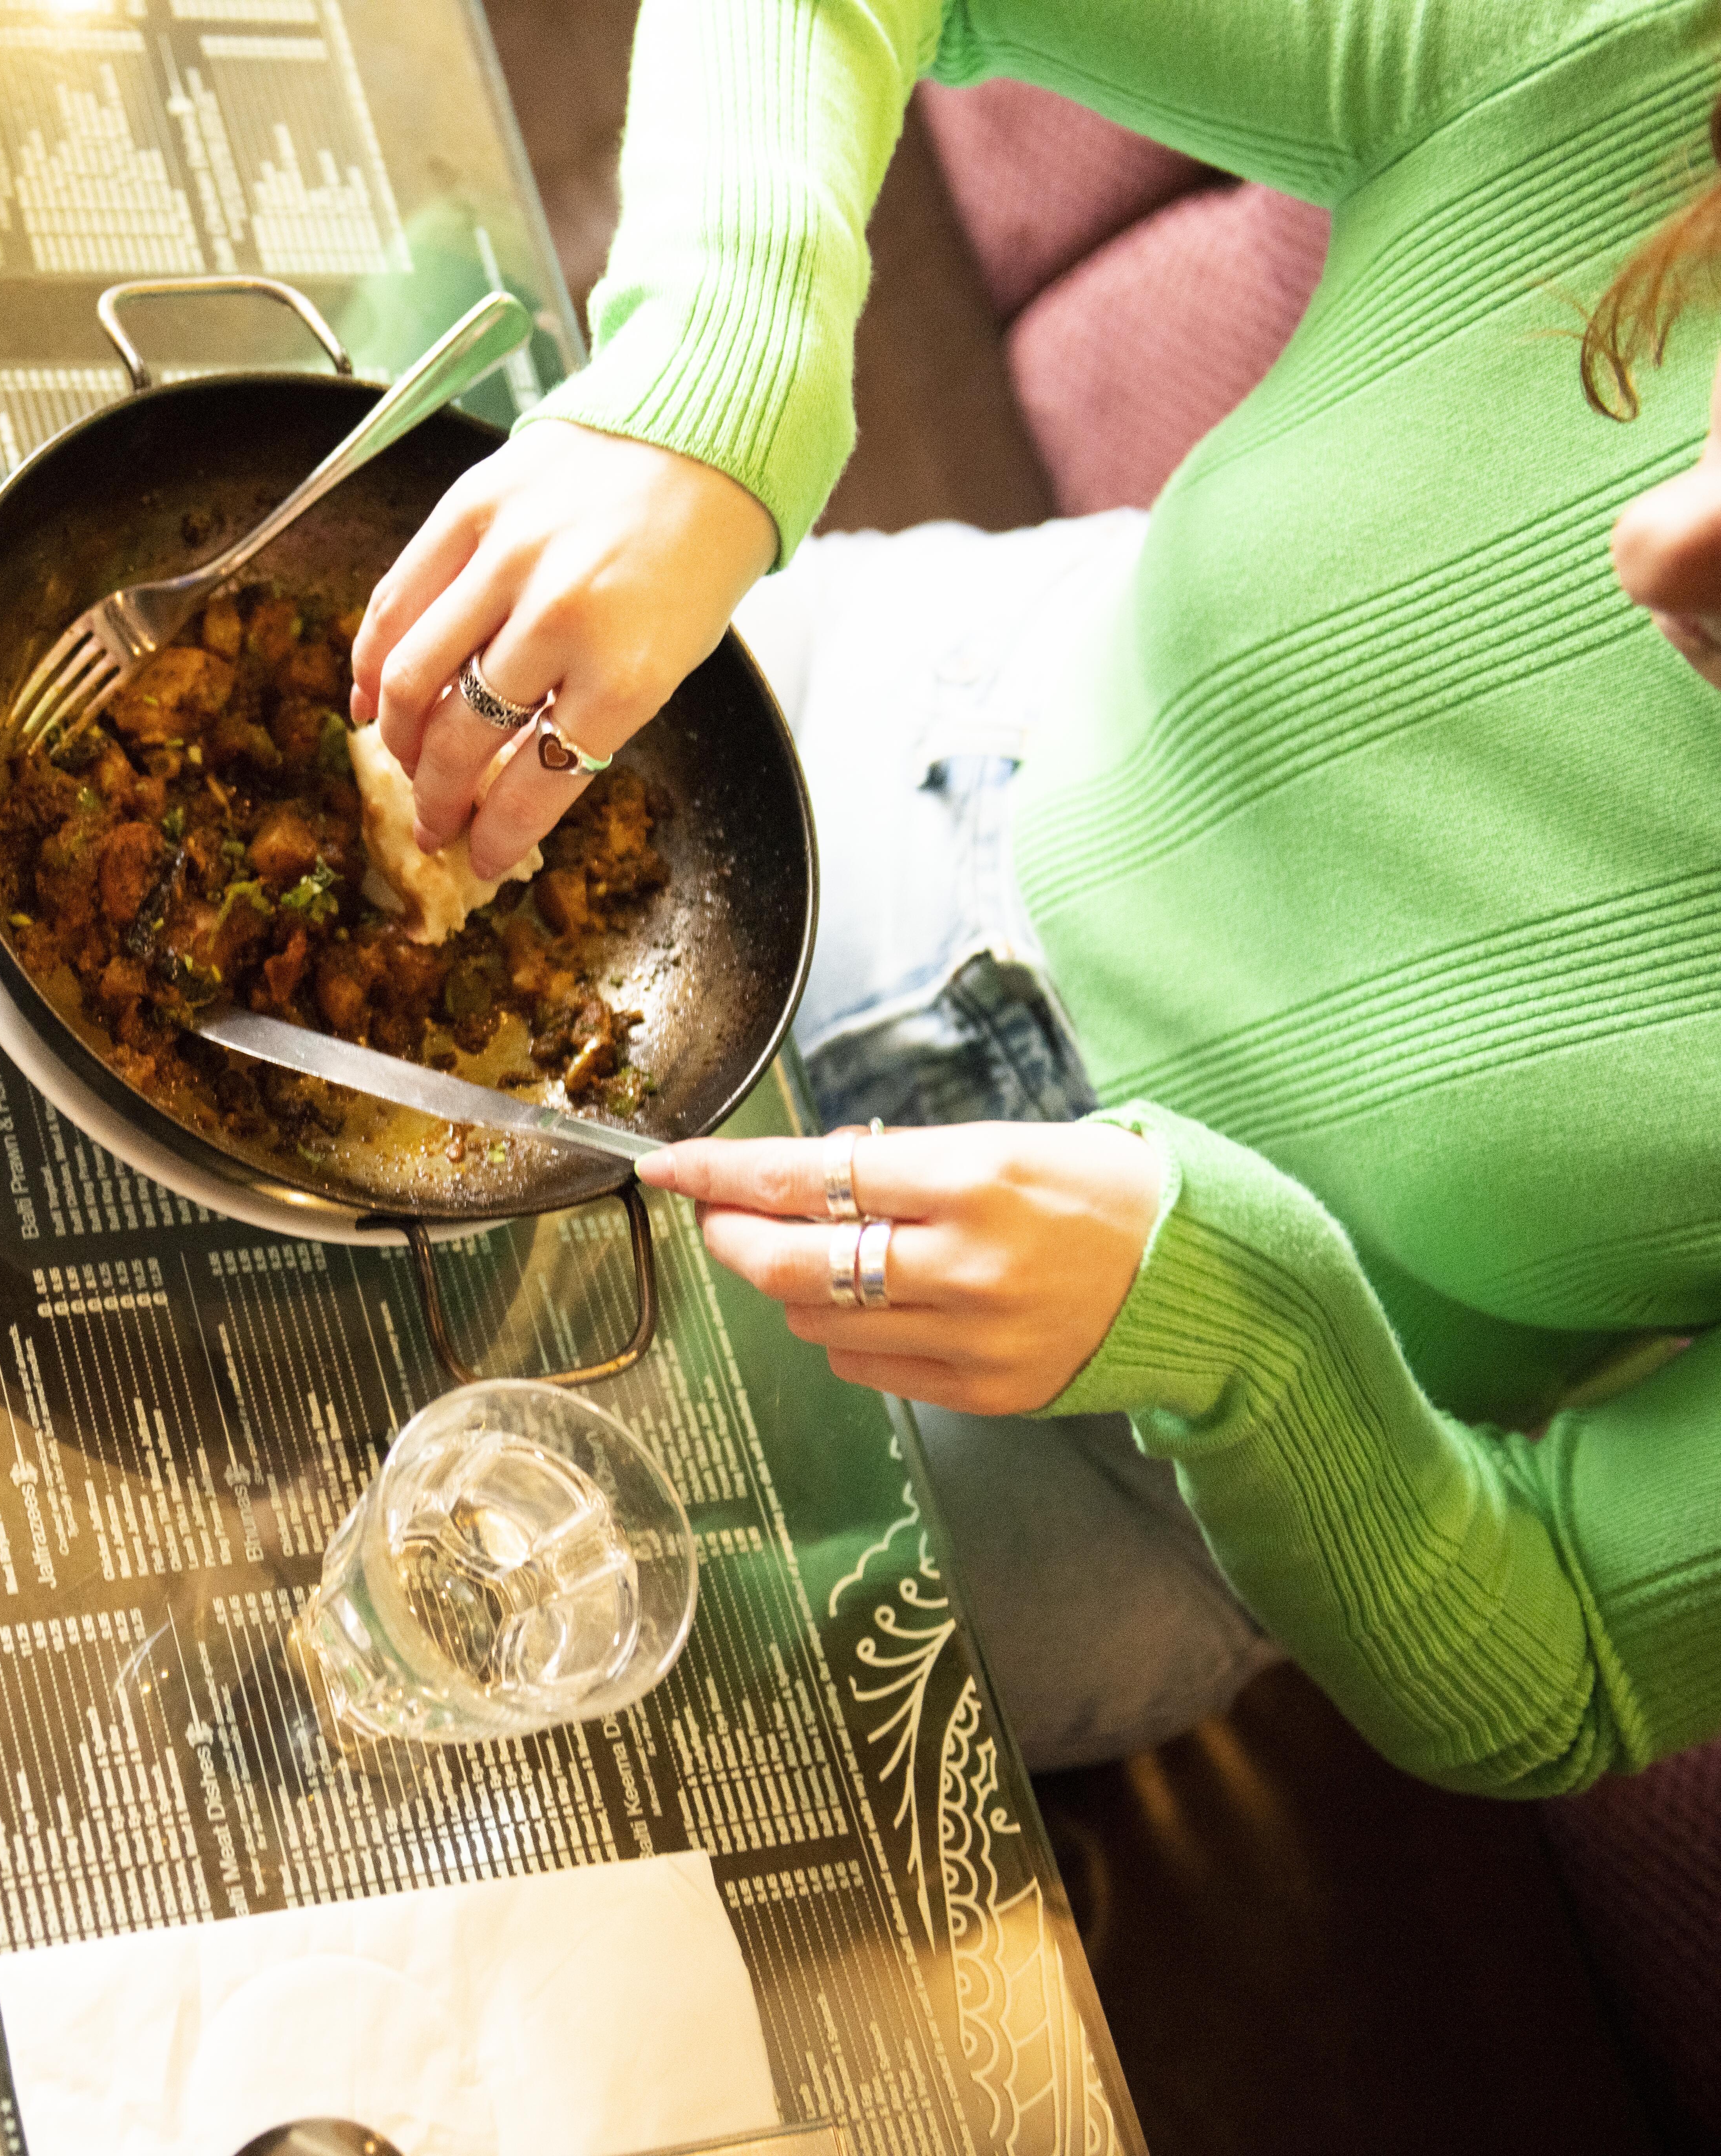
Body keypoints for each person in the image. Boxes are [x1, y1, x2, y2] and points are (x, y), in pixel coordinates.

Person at [353, 0, 1721, 1788]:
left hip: (1105, 1460)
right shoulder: (1649, 54)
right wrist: (714, 381)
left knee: (428, 1681)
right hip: (842, 751)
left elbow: (1572, 1667)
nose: (1655, 541)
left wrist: (1245, 1329)